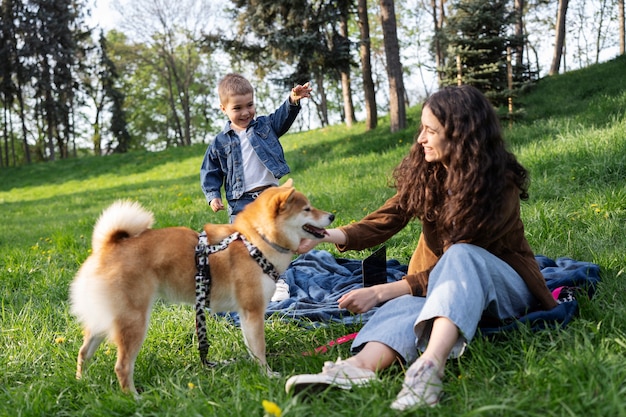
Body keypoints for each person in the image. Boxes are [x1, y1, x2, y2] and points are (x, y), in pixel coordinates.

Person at [286, 85, 558, 410]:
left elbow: (463, 260)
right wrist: (326, 235)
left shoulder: (499, 185)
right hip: (437, 287)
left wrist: (383, 291)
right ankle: (357, 369)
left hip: (504, 287)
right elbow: (388, 218)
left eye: (431, 131)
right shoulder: (428, 170)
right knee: (405, 305)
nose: (420, 139)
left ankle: (429, 368)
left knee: (451, 261)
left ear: (460, 135)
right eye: (422, 129)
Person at [200, 74, 311, 302]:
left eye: (249, 105)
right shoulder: (220, 142)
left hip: (270, 197)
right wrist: (213, 196)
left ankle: (278, 281)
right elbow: (210, 171)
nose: (245, 112)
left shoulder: (265, 126)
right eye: (237, 108)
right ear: (223, 109)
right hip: (240, 200)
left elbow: (282, 118)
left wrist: (293, 100)